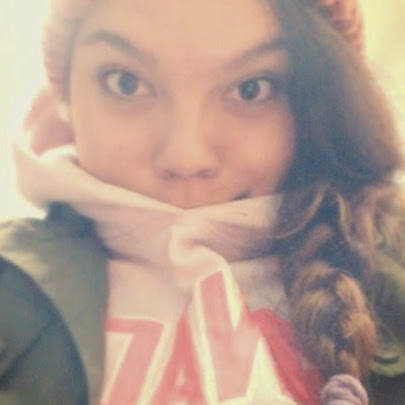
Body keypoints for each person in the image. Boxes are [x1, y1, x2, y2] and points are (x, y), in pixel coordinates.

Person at [0, 0, 404, 404]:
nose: (186, 157)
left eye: (251, 89)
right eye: (126, 83)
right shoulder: (11, 286)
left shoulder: (392, 262)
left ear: (322, 101)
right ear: (66, 97)